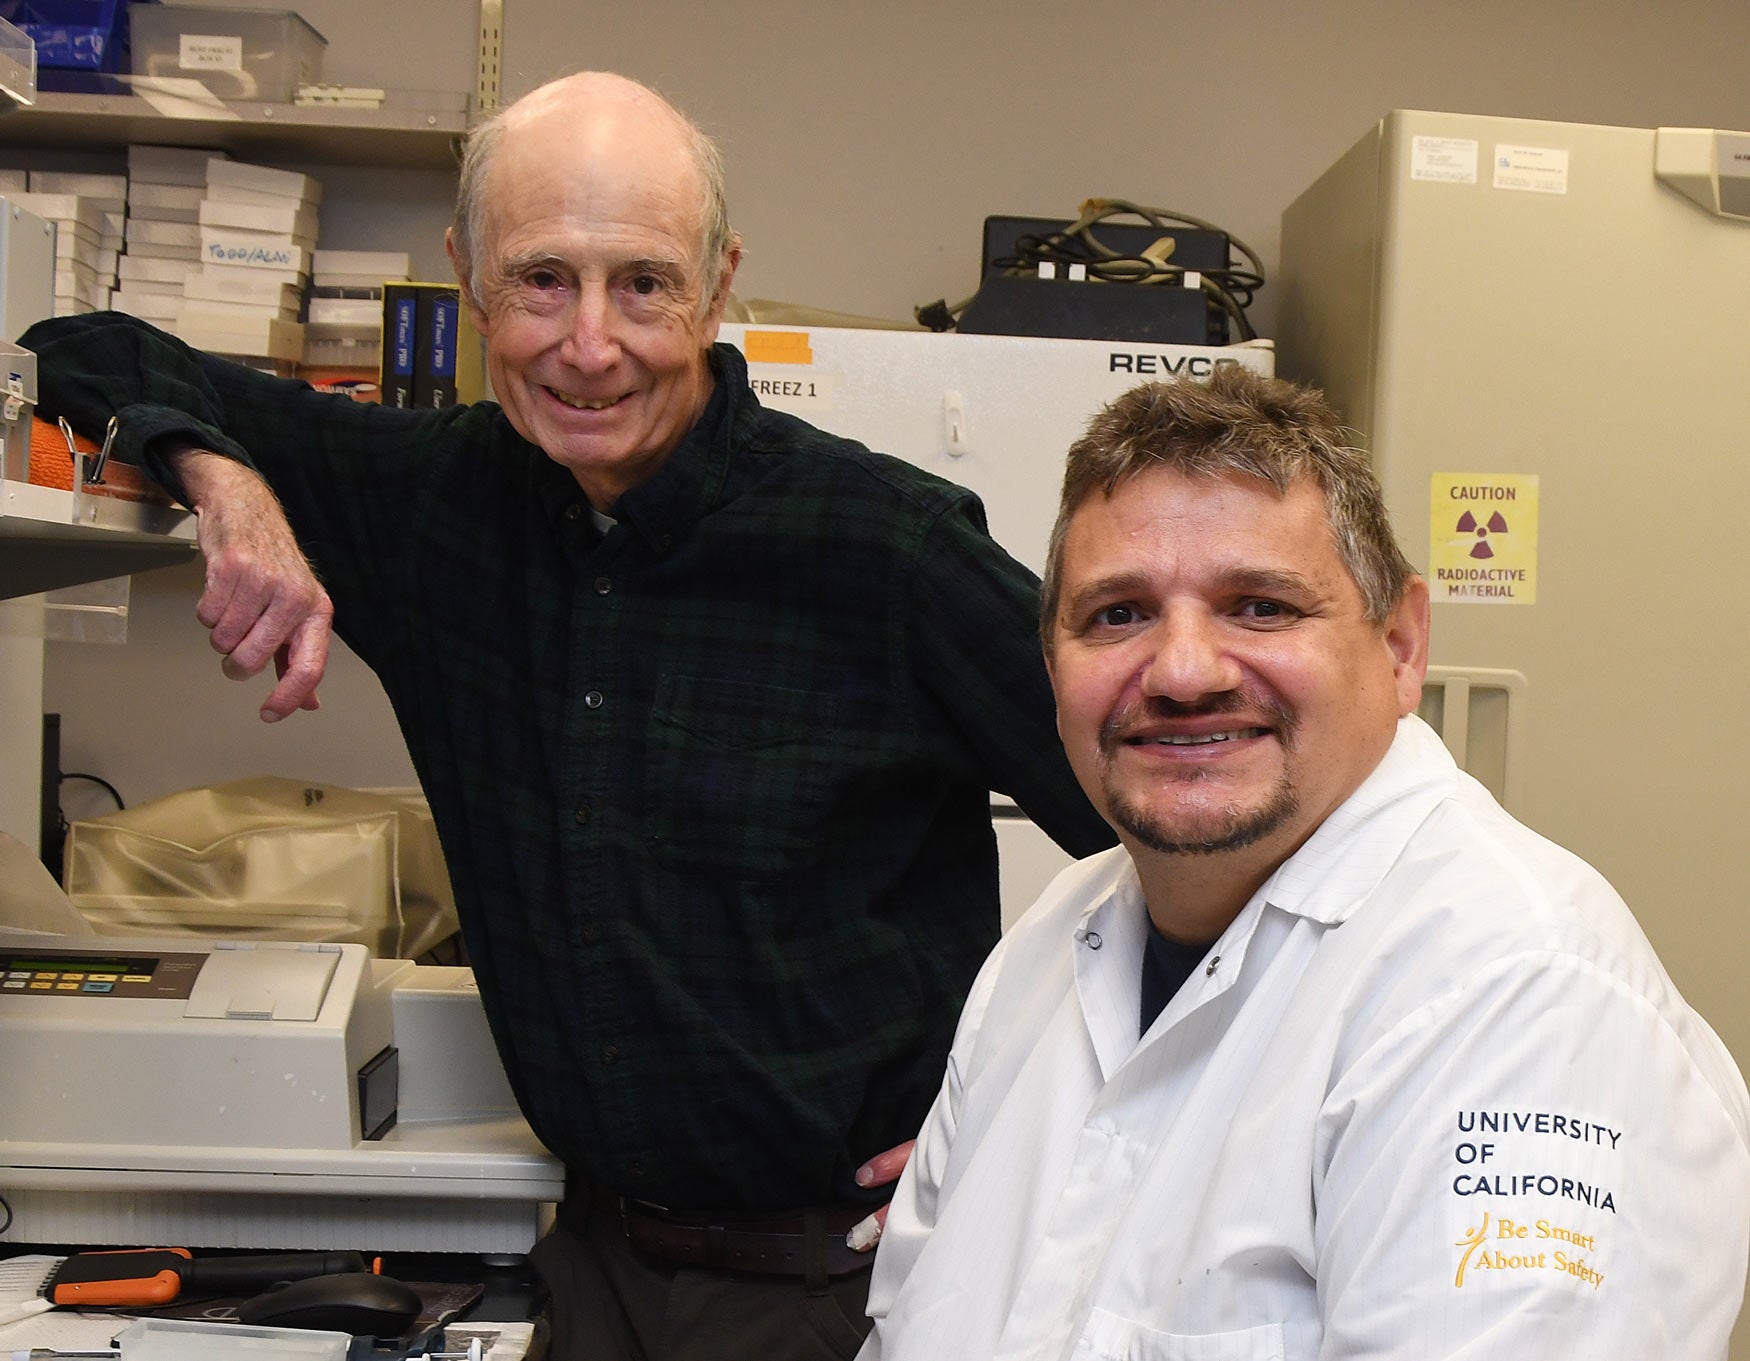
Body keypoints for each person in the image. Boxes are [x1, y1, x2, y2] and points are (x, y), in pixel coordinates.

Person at [23, 71, 1113, 1361]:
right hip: (591, 1264)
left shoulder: (892, 547)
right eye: (541, 279)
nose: (588, 344)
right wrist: (226, 482)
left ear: (718, 286)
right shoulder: (429, 501)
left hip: (844, 1289)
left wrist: (1042, 1101)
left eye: (642, 283)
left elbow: (1170, 832)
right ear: (469, 277)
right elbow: (75, 347)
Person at [859, 367, 1750, 1359]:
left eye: (1260, 606)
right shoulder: (1045, 945)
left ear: (1401, 643)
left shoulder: (1517, 994)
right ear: (1052, 664)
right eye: (1116, 613)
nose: (1183, 670)